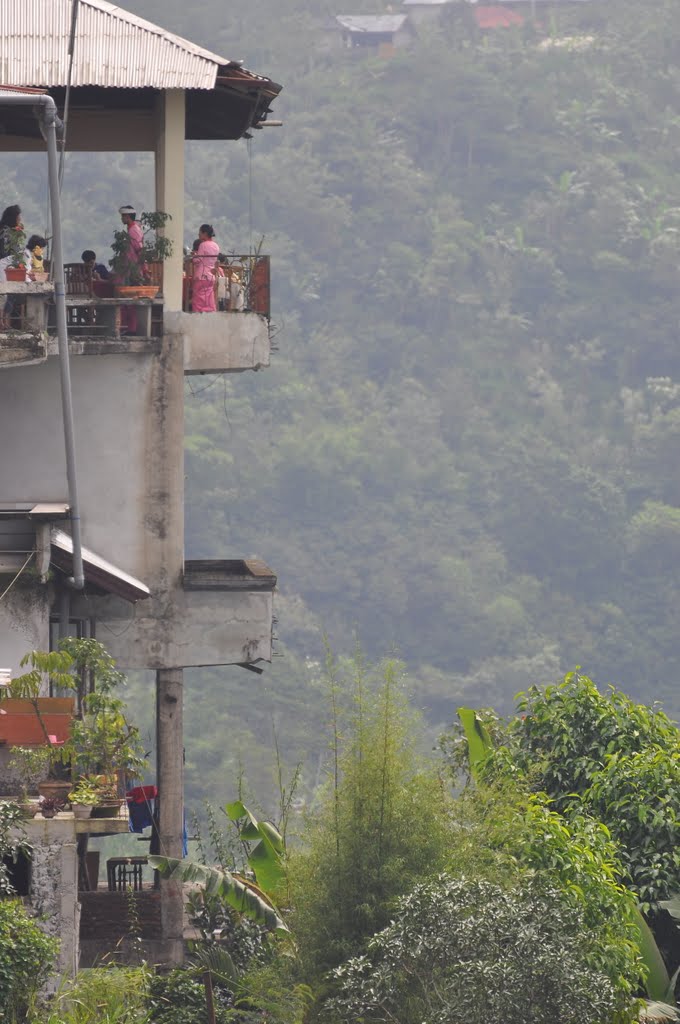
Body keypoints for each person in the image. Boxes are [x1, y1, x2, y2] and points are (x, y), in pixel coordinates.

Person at [117, 204, 144, 333]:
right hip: (128, 268)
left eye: (123, 216)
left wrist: (143, 268)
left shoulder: (134, 230)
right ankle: (127, 326)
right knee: (126, 299)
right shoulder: (131, 229)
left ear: (128, 216)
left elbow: (139, 250)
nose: (122, 218)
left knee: (129, 299)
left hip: (132, 269)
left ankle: (130, 328)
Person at [191, 223, 219, 313]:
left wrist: (194, 256)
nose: (199, 234)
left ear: (204, 233)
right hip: (211, 275)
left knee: (198, 300)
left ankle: (198, 318)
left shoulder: (203, 245)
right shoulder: (216, 246)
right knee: (208, 299)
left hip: (201, 275)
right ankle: (209, 315)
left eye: (200, 232)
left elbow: (198, 260)